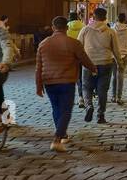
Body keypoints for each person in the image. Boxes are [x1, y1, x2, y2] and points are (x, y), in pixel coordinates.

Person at [36, 15, 97, 152]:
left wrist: (38, 85)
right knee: (66, 110)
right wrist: (93, 69)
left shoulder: (44, 43)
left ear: (53, 28)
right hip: (66, 81)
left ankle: (62, 133)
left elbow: (38, 67)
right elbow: (84, 59)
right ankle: (57, 139)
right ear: (67, 28)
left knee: (56, 108)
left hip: (49, 81)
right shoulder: (73, 43)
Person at [78, 7, 120, 124]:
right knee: (102, 90)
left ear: (94, 17)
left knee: (87, 87)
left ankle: (89, 106)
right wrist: (120, 63)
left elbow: (79, 46)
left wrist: (78, 60)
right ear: (105, 17)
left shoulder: (85, 30)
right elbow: (116, 49)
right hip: (106, 63)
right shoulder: (111, 31)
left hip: (88, 63)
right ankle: (100, 115)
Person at [110, 12, 127, 105]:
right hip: (125, 54)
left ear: (117, 19)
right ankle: (119, 97)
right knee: (121, 75)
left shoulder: (112, 29)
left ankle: (113, 96)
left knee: (114, 76)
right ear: (125, 19)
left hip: (114, 55)